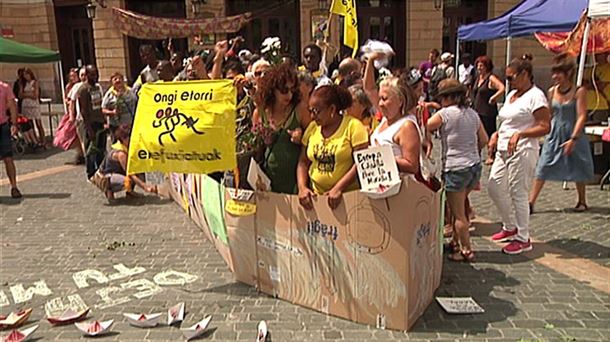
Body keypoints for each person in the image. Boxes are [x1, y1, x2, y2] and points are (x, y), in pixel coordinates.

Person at [488, 56, 551, 255]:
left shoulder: (536, 96)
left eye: (510, 77)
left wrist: (521, 133)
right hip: (504, 148)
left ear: (525, 74)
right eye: (506, 78)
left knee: (519, 193)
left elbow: (544, 126)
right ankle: (510, 225)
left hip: (523, 149)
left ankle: (523, 237)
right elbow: (507, 121)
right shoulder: (512, 94)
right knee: (494, 186)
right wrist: (497, 134)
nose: (508, 82)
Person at [426, 79, 488, 262]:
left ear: (449, 97)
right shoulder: (473, 114)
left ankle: (466, 250)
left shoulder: (444, 114)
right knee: (457, 207)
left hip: (455, 168)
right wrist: (472, 153)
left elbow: (426, 126)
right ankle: (455, 241)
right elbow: (483, 139)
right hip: (474, 167)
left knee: (459, 214)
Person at [529, 54, 594, 212]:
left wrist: (574, 138)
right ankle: (530, 202)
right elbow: (548, 114)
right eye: (554, 72)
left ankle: (582, 200)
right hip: (555, 134)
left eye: (558, 73)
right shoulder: (551, 92)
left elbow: (582, 116)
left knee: (578, 165)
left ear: (568, 73)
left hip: (574, 133)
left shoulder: (579, 91)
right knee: (543, 165)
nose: (554, 76)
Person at [297, 84, 369, 209]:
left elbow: (360, 163)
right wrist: (302, 187)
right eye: (310, 111)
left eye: (316, 111)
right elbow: (303, 162)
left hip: (348, 200)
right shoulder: (312, 128)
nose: (313, 117)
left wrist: (338, 188)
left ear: (332, 109)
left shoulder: (353, 127)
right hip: (316, 199)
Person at [252, 64, 309, 194]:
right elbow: (253, 147)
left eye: (292, 90)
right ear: (272, 89)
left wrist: (302, 139)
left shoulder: (300, 110)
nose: (289, 95)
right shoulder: (260, 112)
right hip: (267, 182)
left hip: (295, 181)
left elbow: (314, 140)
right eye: (284, 90)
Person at [370, 76, 421, 175]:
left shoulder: (407, 126)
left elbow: (412, 166)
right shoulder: (385, 120)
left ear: (400, 101)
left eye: (384, 99)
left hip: (401, 187)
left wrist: (381, 157)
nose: (380, 104)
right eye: (379, 98)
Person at [98, 123, 157, 200]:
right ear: (123, 139)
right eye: (129, 138)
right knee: (128, 180)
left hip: (118, 172)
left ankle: (130, 192)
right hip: (105, 177)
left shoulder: (128, 147)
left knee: (138, 168)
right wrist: (144, 186)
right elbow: (130, 173)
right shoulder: (121, 154)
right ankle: (109, 190)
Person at [77, 65, 107, 179]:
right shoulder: (84, 89)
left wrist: (104, 120)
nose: (95, 76)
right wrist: (89, 128)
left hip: (99, 121)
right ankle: (90, 173)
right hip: (91, 123)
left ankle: (100, 170)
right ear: (87, 75)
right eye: (92, 74)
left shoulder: (97, 87)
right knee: (91, 150)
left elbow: (99, 106)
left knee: (101, 149)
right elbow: (83, 110)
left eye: (96, 73)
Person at [472, 55, 505, 153]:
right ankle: (477, 154)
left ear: (487, 66)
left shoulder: (491, 78)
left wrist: (494, 97)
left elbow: (502, 88)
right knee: (477, 135)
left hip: (487, 111)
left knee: (490, 134)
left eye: (481, 66)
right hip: (477, 110)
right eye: (478, 66)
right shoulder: (478, 78)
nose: (479, 68)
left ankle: (492, 154)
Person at [53, 68, 83, 161]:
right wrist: (69, 102)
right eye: (71, 76)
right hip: (71, 113)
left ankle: (81, 154)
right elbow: (66, 98)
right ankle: (80, 153)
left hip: (78, 113)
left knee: (78, 135)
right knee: (68, 134)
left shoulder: (81, 86)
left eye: (74, 76)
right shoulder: (69, 87)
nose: (72, 78)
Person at [1, 80, 22, 198]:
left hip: (2, 126)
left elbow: (13, 106)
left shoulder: (5, 87)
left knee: (8, 158)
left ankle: (14, 186)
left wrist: (14, 124)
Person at [19, 68, 44, 146]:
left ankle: (43, 140)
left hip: (34, 105)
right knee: (29, 124)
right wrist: (29, 94)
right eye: (24, 75)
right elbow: (20, 95)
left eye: (27, 74)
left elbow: (35, 95)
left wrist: (26, 94)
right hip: (26, 106)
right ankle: (35, 140)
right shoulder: (23, 83)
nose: (26, 76)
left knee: (38, 123)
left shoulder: (35, 82)